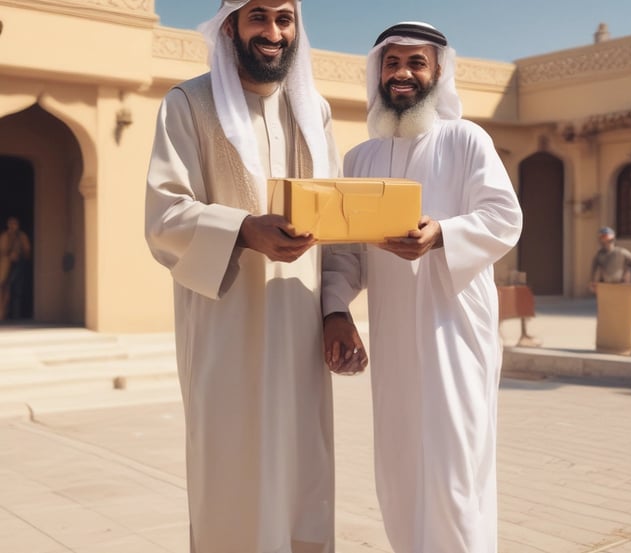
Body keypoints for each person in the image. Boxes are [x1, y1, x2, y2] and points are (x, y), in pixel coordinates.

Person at [144, 1, 340, 552]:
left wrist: (337, 311)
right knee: (232, 471)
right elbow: (163, 217)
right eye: (258, 17)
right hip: (227, 328)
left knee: (304, 474)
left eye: (284, 18)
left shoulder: (314, 111)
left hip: (300, 333)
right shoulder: (187, 103)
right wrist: (245, 229)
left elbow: (338, 215)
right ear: (230, 26)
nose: (273, 32)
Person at [322, 22, 523, 553]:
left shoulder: (465, 139)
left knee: (454, 472)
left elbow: (505, 218)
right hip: (393, 341)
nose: (402, 73)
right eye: (392, 64)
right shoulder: (359, 160)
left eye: (416, 63)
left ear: (437, 72)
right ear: (378, 74)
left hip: (455, 333)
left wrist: (443, 235)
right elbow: (344, 253)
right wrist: (335, 311)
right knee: (399, 467)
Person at [589, 226, 631, 291]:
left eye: (605, 237)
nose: (604, 240)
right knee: (606, 301)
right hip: (605, 287)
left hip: (622, 287)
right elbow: (594, 270)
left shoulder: (621, 252)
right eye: (602, 237)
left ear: (612, 238)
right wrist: (593, 283)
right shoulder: (599, 255)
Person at [0, 216, 32, 321]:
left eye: (15, 224)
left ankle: (15, 315)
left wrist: (19, 255)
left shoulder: (22, 236)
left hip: (18, 266)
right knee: (4, 288)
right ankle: (3, 314)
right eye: (11, 223)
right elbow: (3, 250)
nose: (13, 226)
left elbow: (27, 251)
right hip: (5, 267)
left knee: (16, 290)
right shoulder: (4, 236)